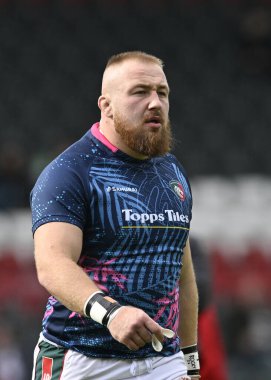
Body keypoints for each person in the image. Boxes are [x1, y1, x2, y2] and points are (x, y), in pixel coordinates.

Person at [30, 51, 200, 380]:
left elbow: (183, 275)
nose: (155, 103)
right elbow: (52, 265)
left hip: (163, 360)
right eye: (140, 92)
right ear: (106, 105)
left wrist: (190, 363)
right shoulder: (69, 172)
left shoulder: (172, 172)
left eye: (162, 93)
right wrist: (112, 315)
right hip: (81, 357)